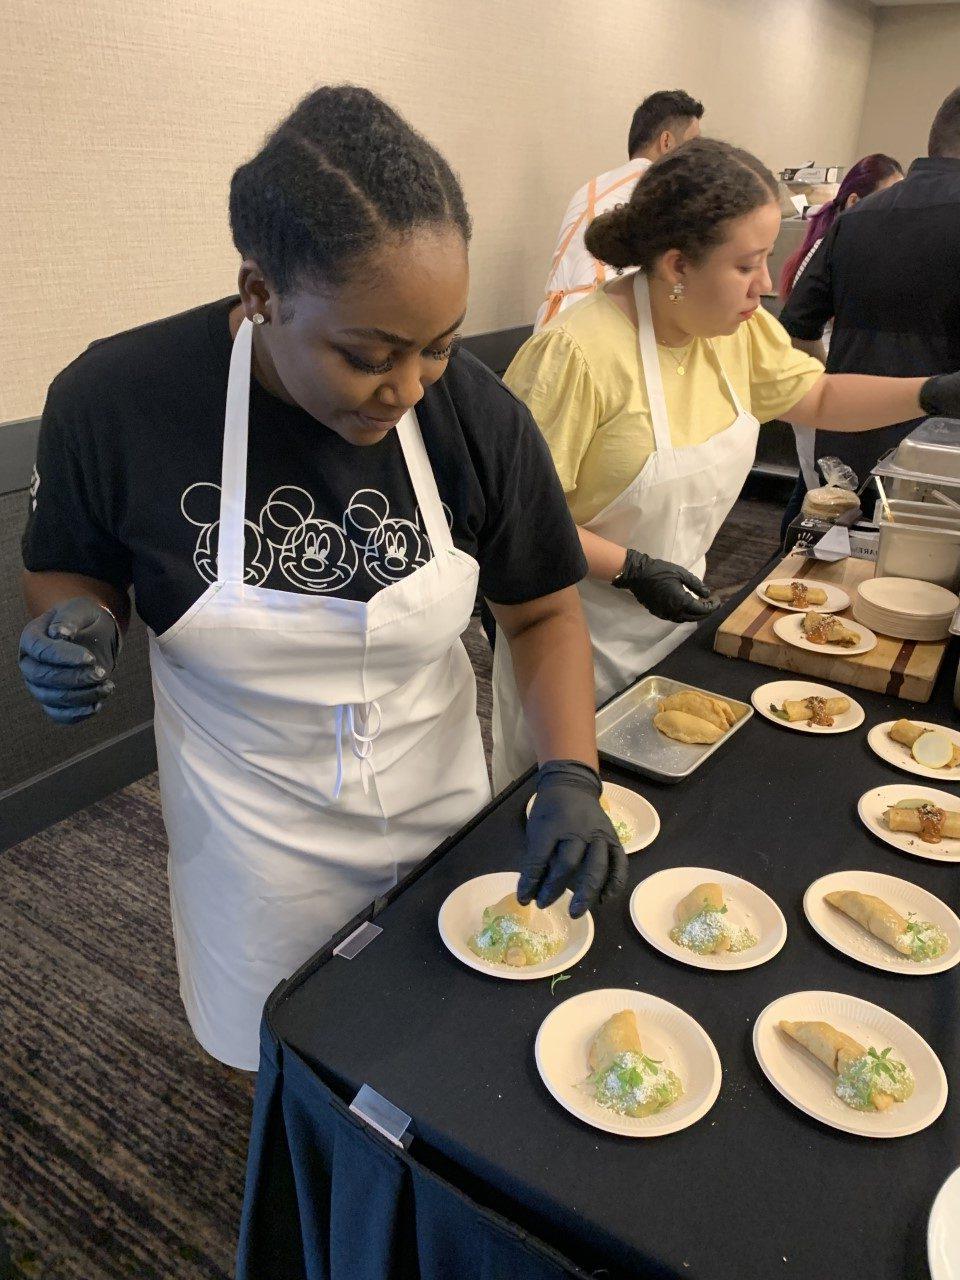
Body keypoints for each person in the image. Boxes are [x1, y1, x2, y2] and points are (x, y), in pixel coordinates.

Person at [18, 86, 625, 1072]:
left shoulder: (469, 412)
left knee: (443, 1052)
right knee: (292, 1059)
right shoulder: (117, 399)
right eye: (370, 356)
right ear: (261, 294)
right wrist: (73, 624)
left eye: (439, 344)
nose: (411, 387)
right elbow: (69, 567)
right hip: (250, 841)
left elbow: (545, 607)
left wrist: (567, 772)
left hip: (438, 807)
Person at [491, 137, 960, 790]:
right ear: (678, 264)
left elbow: (816, 394)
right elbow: (511, 530)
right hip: (571, 647)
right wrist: (630, 567)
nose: (767, 285)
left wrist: (928, 392)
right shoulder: (578, 355)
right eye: (749, 264)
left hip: (675, 630)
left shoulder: (734, 332)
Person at [779, 86, 960, 521]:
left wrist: (834, 389)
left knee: (827, 578)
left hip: (847, 449)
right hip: (943, 463)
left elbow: (795, 331)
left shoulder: (855, 219)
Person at [777, 153, 903, 535]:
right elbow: (800, 327)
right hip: (819, 390)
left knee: (813, 492)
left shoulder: (848, 243)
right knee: (818, 500)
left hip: (830, 392)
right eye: (888, 196)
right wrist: (829, 380)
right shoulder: (831, 247)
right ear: (853, 202)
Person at [534, 89, 703, 330]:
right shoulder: (666, 191)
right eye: (693, 147)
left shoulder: (589, 189)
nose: (697, 159)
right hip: (606, 327)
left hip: (552, 328)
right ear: (666, 142)